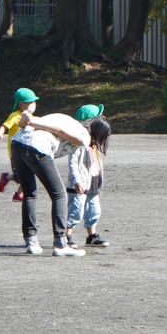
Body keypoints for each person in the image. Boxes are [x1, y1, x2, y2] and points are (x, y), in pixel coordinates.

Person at [10, 108, 91, 256]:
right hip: (36, 147)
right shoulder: (84, 134)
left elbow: (25, 124)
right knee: (59, 194)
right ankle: (60, 243)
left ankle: (31, 242)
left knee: (29, 194)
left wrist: (30, 120)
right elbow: (67, 134)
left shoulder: (61, 116)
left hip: (17, 143)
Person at [66, 103, 109, 250]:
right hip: (79, 183)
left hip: (93, 182)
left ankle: (92, 235)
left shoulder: (94, 142)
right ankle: (66, 235)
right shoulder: (77, 142)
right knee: (75, 210)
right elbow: (72, 163)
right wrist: (76, 181)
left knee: (94, 210)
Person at [0, 87, 38, 195]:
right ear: (21, 104)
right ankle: (6, 177)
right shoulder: (15, 116)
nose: (33, 104)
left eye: (34, 101)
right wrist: (0, 134)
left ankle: (19, 195)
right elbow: (4, 126)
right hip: (15, 152)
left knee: (29, 173)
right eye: (30, 102)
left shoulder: (30, 115)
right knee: (20, 177)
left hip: (27, 149)